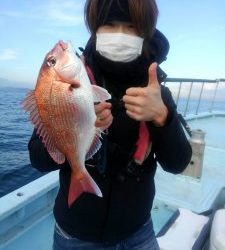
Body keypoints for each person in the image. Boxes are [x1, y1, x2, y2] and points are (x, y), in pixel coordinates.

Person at [28, 0, 192, 249]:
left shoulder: (156, 92)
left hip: (139, 231)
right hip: (75, 234)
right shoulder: (62, 88)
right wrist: (76, 124)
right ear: (95, 28)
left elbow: (178, 163)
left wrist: (162, 117)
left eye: (132, 27)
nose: (120, 34)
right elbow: (37, 159)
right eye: (110, 24)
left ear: (145, 33)